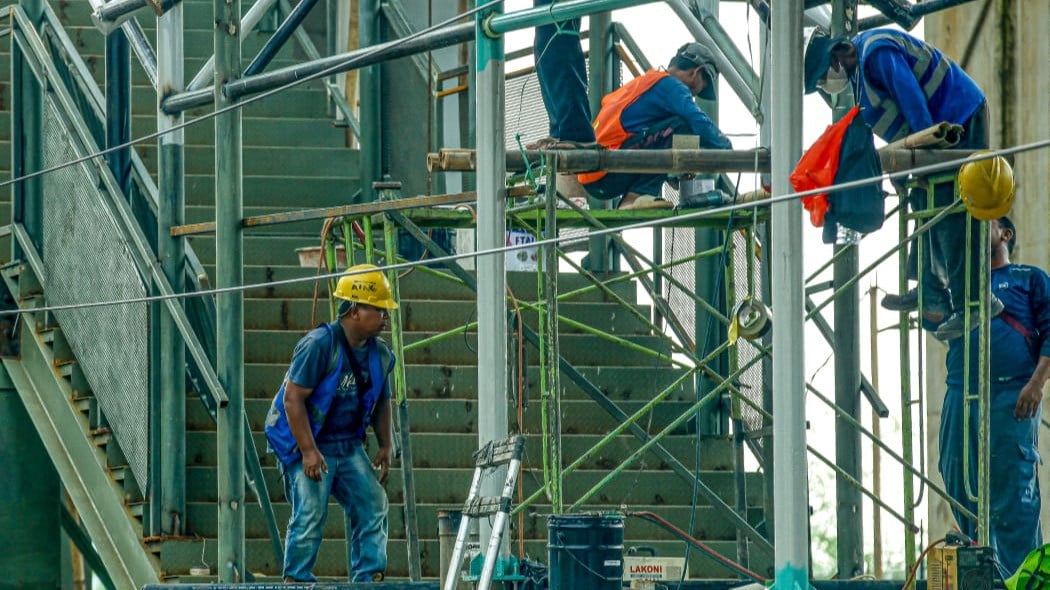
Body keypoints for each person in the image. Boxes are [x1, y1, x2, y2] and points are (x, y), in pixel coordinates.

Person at [803, 29, 989, 340]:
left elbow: (912, 102)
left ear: (835, 57)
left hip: (959, 118)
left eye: (823, 77)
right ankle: (930, 289)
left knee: (951, 210)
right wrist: (905, 168)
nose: (826, 85)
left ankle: (972, 303)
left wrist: (923, 156)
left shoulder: (876, 54)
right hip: (933, 130)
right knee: (922, 200)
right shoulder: (860, 78)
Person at [264, 264, 398, 583]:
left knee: (373, 502)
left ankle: (368, 577)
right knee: (310, 511)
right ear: (354, 310)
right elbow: (292, 399)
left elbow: (381, 400)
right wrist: (309, 452)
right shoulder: (319, 345)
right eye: (378, 310)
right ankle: (297, 579)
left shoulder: (379, 354)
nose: (385, 317)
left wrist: (386, 443)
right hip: (307, 443)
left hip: (346, 445)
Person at [933, 214, 1048, 579]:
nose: (975, 229)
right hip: (960, 390)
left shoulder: (1029, 279)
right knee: (955, 473)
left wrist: (1036, 383)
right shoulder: (961, 284)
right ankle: (986, 573)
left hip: (1012, 392)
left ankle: (1020, 579)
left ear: (1005, 233)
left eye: (986, 222)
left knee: (1011, 490)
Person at [577, 42, 733, 210]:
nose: (695, 95)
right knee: (683, 124)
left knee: (675, 128)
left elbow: (645, 135)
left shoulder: (648, 82)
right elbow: (697, 121)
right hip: (609, 168)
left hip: (594, 175)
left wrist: (675, 170)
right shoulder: (671, 85)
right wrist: (727, 148)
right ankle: (635, 198)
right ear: (696, 72)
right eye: (700, 87)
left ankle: (638, 195)